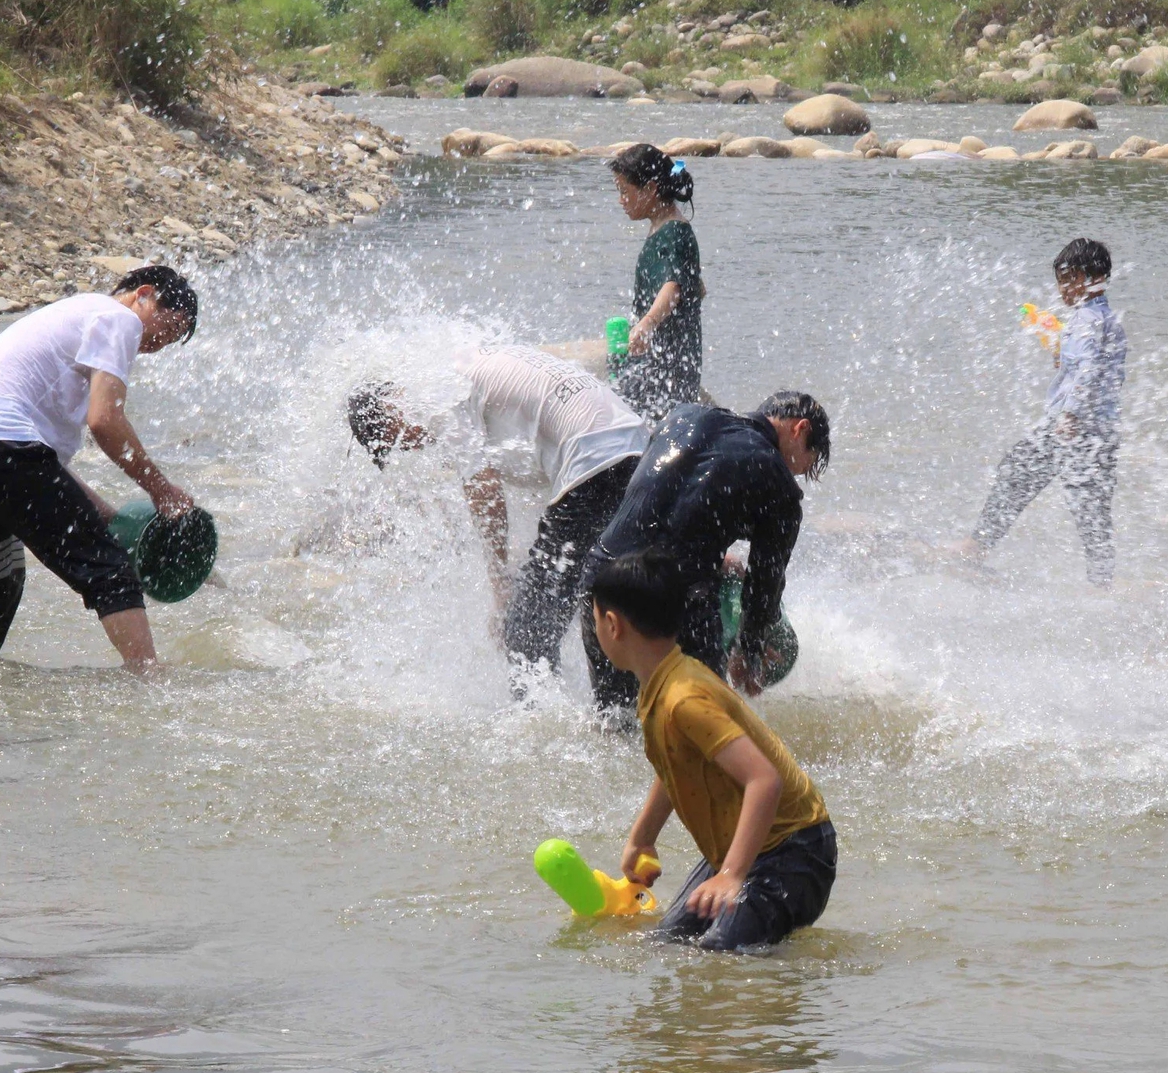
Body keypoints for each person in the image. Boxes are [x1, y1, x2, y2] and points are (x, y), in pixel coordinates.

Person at [0, 267, 200, 674]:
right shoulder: (117, 318)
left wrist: (109, 518)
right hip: (3, 450)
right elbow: (105, 422)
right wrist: (161, 490)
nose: (157, 344)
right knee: (111, 573)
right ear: (143, 294)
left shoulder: (75, 317)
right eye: (167, 327)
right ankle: (150, 679)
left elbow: (46, 474)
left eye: (170, 341)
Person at [347, 345, 651, 689]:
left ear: (389, 408)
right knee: (620, 590)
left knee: (525, 625)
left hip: (596, 458)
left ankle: (540, 726)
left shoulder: (431, 393)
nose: (411, 446)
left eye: (396, 440)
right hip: (635, 446)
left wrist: (501, 587)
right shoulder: (461, 362)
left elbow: (483, 487)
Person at [589, 549, 835, 953]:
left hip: (794, 854)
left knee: (718, 957)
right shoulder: (664, 681)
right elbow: (677, 764)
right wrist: (642, 837)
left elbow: (764, 780)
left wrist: (732, 875)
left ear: (612, 625)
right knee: (667, 944)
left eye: (596, 619)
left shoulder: (684, 698)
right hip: (753, 847)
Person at [580, 394, 829, 714]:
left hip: (603, 578)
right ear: (800, 429)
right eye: (804, 464)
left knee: (615, 721)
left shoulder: (683, 416)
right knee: (695, 728)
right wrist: (750, 653)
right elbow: (763, 584)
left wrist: (714, 557)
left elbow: (656, 499)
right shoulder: (778, 482)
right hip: (672, 602)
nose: (795, 474)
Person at [968, 237, 1127, 585]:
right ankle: (1102, 583)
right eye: (1060, 281)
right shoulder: (1101, 317)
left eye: (1068, 280)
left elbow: (1088, 372)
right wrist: (1062, 358)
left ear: (1089, 278)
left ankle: (976, 548)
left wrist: (1070, 414)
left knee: (1016, 472)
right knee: (1092, 510)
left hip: (1074, 427)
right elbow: (1091, 368)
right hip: (1100, 430)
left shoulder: (1087, 322)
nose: (1062, 290)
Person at [609, 143, 705, 421]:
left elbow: (672, 287)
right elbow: (692, 285)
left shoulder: (674, 231)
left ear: (650, 189)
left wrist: (647, 323)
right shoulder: (662, 227)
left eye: (624, 191)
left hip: (669, 364)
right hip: (656, 356)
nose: (621, 200)